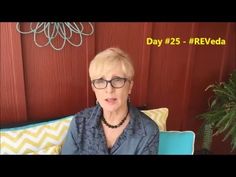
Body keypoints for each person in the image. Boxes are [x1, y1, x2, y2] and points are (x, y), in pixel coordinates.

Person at [61, 47, 159, 154]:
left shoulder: (149, 130)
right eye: (100, 81)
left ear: (130, 86)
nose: (109, 90)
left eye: (117, 80)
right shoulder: (79, 123)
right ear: (94, 88)